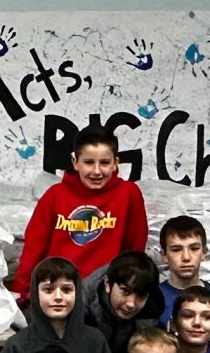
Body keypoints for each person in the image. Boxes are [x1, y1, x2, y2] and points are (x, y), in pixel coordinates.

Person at [12, 123, 150, 294]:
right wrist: (21, 292)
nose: (97, 171)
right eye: (89, 162)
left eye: (105, 162)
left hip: (103, 295)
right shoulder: (55, 196)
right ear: (75, 162)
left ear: (116, 163)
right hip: (59, 292)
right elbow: (33, 251)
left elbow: (134, 253)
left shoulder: (129, 194)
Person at [157, 215, 210, 345]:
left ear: (204, 252)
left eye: (194, 248)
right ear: (164, 255)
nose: (186, 257)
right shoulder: (152, 299)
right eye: (176, 249)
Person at [90, 253, 170, 353]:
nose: (131, 304)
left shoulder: (150, 315)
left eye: (141, 296)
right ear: (107, 284)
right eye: (125, 291)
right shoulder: (81, 307)